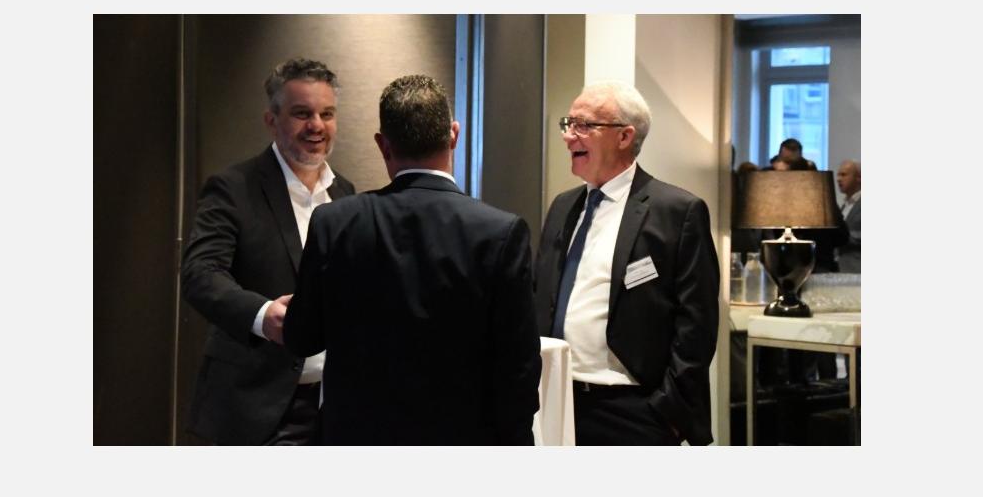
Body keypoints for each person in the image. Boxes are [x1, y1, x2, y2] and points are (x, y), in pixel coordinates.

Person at [281, 74, 541, 445]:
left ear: (383, 145)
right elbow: (519, 368)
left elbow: (302, 337)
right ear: (453, 135)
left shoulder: (334, 222)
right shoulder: (500, 232)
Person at [180, 58, 356, 445]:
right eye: (301, 113)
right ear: (271, 121)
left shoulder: (345, 193)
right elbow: (200, 274)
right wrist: (264, 316)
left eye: (327, 114)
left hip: (333, 407)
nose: (316, 125)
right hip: (253, 408)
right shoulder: (232, 187)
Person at [534, 81, 720, 445]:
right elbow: (540, 295)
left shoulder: (677, 211)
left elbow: (697, 325)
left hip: (632, 411)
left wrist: (666, 412)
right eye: (568, 124)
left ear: (624, 136)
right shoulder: (562, 207)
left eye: (584, 125)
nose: (569, 137)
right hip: (557, 400)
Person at [836, 159, 861, 272]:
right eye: (838, 175)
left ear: (859, 178)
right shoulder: (844, 204)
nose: (838, 179)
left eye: (843, 175)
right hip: (841, 268)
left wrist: (840, 236)